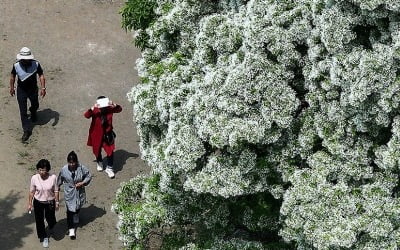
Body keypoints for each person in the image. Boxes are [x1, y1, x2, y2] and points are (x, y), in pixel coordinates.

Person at [10, 47, 47, 142]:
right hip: (21, 90)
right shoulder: (16, 66)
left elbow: (41, 75)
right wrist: (12, 87)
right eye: (24, 60)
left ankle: (33, 111)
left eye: (27, 60)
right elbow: (12, 76)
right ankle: (26, 130)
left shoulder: (36, 64)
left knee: (35, 104)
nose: (25, 61)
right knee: (23, 111)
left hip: (33, 89)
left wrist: (43, 88)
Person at [84, 96, 122, 178]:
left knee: (110, 151)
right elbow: (86, 115)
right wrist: (92, 108)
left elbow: (119, 109)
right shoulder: (95, 110)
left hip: (107, 134)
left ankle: (109, 168)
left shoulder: (109, 108)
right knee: (97, 150)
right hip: (96, 134)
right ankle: (99, 161)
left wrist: (114, 104)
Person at [57, 151, 92, 239]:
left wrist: (82, 183)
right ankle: (71, 229)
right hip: (69, 192)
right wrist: (56, 188)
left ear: (76, 161)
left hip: (79, 191)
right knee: (69, 211)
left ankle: (76, 214)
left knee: (78, 205)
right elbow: (59, 180)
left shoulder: (81, 168)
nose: (72, 164)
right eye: (70, 162)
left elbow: (88, 176)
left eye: (73, 162)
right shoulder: (64, 169)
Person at [28, 159, 59, 248]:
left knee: (51, 218)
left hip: (50, 202)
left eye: (44, 170)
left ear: (47, 169)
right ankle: (44, 236)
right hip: (38, 202)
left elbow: (56, 190)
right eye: (40, 169)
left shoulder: (53, 177)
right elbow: (31, 192)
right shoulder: (34, 178)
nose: (42, 172)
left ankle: (51, 226)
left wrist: (57, 202)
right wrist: (29, 203)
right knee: (39, 220)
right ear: (38, 169)